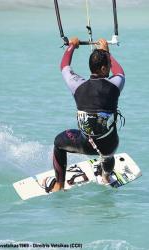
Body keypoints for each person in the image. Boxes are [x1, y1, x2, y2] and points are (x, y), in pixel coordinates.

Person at [44, 37, 125, 193]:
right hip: (109, 146)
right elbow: (119, 72)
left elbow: (64, 66)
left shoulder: (78, 85)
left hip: (84, 143)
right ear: (103, 68)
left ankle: (59, 185)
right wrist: (107, 52)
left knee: (58, 143)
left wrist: (72, 46)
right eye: (107, 64)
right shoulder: (115, 86)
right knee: (108, 154)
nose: (109, 67)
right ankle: (106, 177)